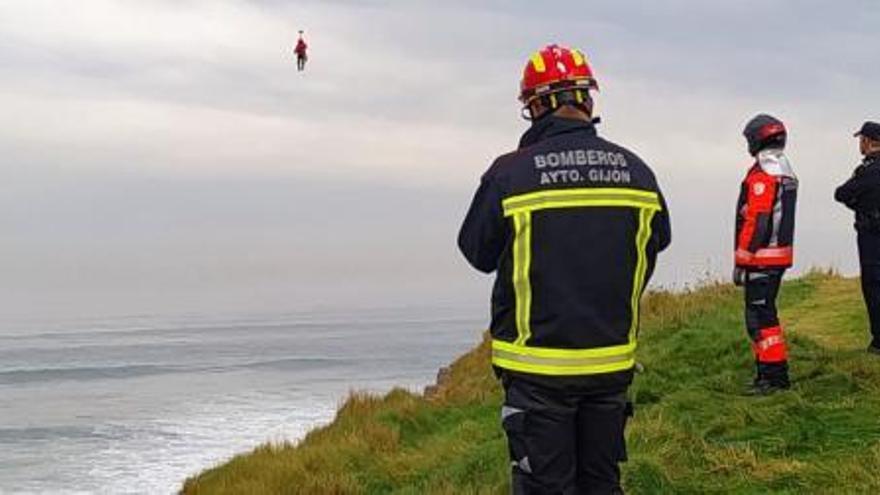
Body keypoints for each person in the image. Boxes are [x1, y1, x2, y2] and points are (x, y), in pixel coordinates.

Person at [458, 44, 671, 494]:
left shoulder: (510, 174)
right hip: (612, 363)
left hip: (537, 371)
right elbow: (656, 243)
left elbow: (476, 251)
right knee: (602, 483)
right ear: (587, 100)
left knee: (545, 486)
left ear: (536, 106)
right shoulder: (638, 171)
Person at [733, 114, 798, 394]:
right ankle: (768, 372)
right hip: (776, 256)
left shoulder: (764, 173)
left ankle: (773, 377)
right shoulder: (783, 168)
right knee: (765, 315)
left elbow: (757, 219)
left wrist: (742, 258)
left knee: (760, 319)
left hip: (762, 257)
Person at [834, 121, 880, 354]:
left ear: (869, 141)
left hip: (872, 236)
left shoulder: (868, 170)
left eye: (861, 140)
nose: (859, 144)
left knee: (873, 285)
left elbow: (841, 193)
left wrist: (858, 204)